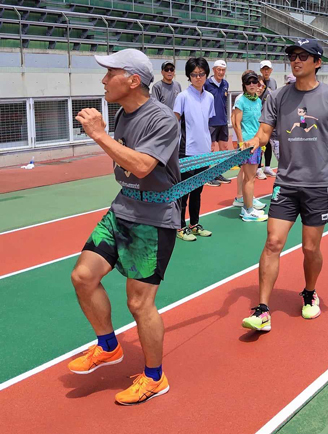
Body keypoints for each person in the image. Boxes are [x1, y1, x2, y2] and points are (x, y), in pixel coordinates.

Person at [68, 49, 179, 405]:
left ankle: (154, 378)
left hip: (154, 218)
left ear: (132, 80)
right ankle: (108, 347)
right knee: (83, 276)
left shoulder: (162, 119)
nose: (103, 80)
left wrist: (99, 135)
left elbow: (144, 166)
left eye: (109, 74)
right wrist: (106, 134)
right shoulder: (122, 113)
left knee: (139, 303)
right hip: (122, 208)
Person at [241, 39, 328, 332]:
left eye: (303, 56)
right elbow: (265, 132)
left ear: (317, 62)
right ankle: (264, 309)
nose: (296, 60)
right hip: (286, 183)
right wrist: (255, 141)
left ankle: (309, 292)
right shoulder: (279, 97)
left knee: (309, 248)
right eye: (293, 56)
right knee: (272, 242)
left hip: (318, 185)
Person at [173, 57, 215, 241]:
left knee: (198, 190)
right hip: (186, 151)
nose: (198, 77)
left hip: (204, 152)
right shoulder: (182, 96)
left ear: (206, 75)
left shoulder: (210, 97)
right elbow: (174, 123)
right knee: (184, 191)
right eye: (194, 74)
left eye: (201, 74)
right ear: (189, 77)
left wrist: (210, 145)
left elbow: (206, 123)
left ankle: (194, 224)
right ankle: (180, 227)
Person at [233, 70, 268, 222]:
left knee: (251, 177)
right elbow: (236, 123)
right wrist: (241, 143)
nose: (253, 85)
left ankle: (248, 205)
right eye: (249, 82)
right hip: (247, 144)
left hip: (256, 142)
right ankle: (248, 210)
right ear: (244, 85)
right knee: (249, 178)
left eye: (255, 82)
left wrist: (260, 141)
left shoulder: (257, 100)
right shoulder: (241, 100)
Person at [204, 59, 231, 186]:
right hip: (210, 122)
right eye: (219, 69)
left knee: (224, 148)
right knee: (210, 149)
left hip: (223, 121)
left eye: (223, 70)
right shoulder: (206, 84)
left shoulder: (226, 83)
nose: (221, 72)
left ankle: (218, 172)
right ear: (214, 70)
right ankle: (208, 175)